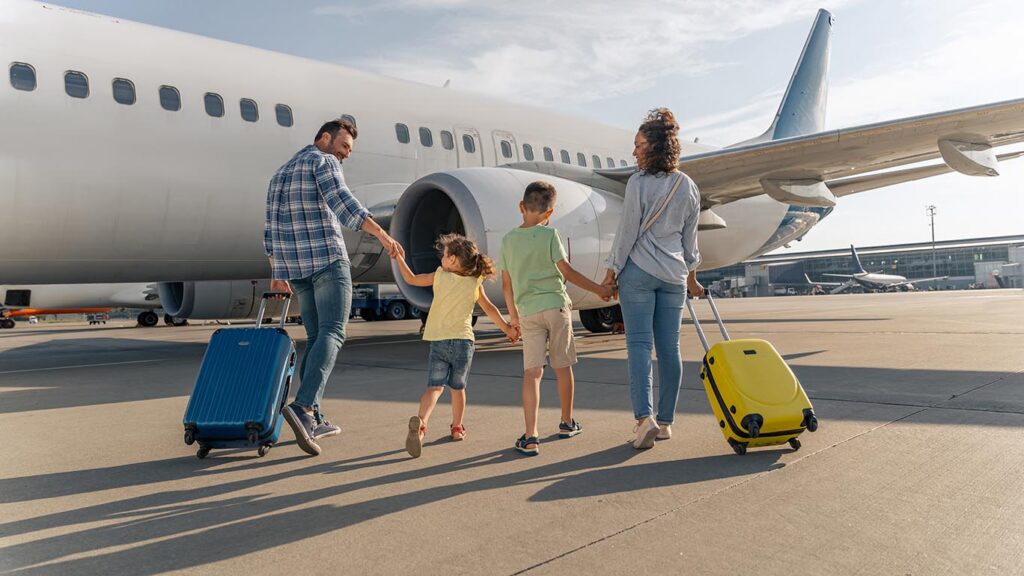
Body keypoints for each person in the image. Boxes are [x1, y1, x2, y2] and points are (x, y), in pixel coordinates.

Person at [264, 118, 401, 456]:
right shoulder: (322, 161)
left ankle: (315, 415)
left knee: (317, 337)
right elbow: (343, 203)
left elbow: (270, 229)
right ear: (324, 138)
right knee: (334, 333)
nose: (346, 155)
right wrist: (382, 234)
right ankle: (304, 407)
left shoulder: (279, 174)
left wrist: (276, 271)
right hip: (326, 261)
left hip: (297, 270)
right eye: (344, 147)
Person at [602, 108, 704, 450]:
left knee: (640, 347)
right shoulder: (689, 186)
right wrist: (692, 278)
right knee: (670, 350)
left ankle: (643, 419)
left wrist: (610, 271)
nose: (634, 152)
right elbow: (691, 241)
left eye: (638, 145)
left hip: (640, 275)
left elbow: (627, 231)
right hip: (674, 276)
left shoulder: (638, 183)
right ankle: (666, 422)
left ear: (654, 147)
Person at [500, 181, 614, 456]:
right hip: (555, 306)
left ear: (521, 207)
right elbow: (568, 272)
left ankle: (530, 436)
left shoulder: (507, 240)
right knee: (562, 367)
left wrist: (512, 318)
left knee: (532, 373)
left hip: (528, 312)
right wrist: (599, 289)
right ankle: (566, 422)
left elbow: (507, 284)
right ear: (549, 213)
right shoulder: (551, 235)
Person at [393, 233, 517, 458]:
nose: (442, 256)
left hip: (439, 340)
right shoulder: (474, 282)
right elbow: (490, 309)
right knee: (457, 389)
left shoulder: (440, 275)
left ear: (453, 261)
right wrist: (508, 329)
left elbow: (411, 279)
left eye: (445, 253)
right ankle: (457, 427)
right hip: (463, 341)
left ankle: (420, 424)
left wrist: (399, 258)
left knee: (435, 388)